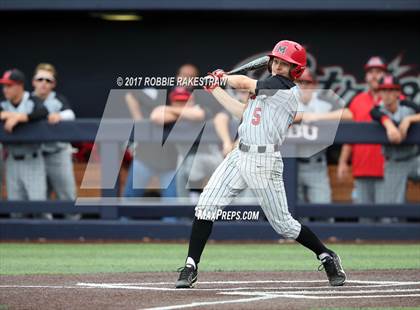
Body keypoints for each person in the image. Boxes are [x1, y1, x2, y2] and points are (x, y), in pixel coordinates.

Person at [175, 40, 346, 288]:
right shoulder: (264, 87)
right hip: (239, 154)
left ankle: (326, 255)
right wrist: (216, 89)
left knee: (283, 225)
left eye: (284, 64)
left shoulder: (286, 89)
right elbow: (241, 113)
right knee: (205, 207)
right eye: (275, 61)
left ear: (295, 70)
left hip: (264, 161)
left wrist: (223, 77)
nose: (277, 66)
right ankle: (190, 266)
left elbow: (243, 82)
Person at [337, 57, 387, 204]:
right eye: (371, 72)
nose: (374, 75)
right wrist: (342, 161)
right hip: (362, 169)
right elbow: (351, 135)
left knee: (389, 220)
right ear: (366, 76)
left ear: (386, 75)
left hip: (388, 171)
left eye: (378, 71)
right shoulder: (358, 100)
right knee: (365, 221)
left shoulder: (395, 98)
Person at [0, 69, 49, 217]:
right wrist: (9, 115)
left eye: (9, 85)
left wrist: (21, 117)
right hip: (12, 161)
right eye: (4, 86)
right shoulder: (4, 104)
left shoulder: (32, 100)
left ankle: (44, 238)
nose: (5, 89)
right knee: (16, 210)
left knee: (39, 207)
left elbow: (43, 112)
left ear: (19, 86)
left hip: (32, 159)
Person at [32, 63, 78, 220]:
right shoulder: (27, 99)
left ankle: (75, 232)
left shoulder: (58, 99)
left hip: (58, 153)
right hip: (35, 155)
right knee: (38, 198)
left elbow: (71, 114)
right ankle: (42, 235)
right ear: (34, 81)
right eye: (40, 79)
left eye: (48, 80)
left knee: (67, 196)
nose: (43, 83)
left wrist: (60, 116)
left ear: (53, 84)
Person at [370, 75, 420, 203]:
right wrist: (389, 125)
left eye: (391, 90)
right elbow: (376, 114)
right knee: (391, 208)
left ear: (398, 92)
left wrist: (409, 119)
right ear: (379, 92)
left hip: (414, 159)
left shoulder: (407, 105)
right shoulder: (377, 110)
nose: (387, 94)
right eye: (384, 90)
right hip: (394, 162)